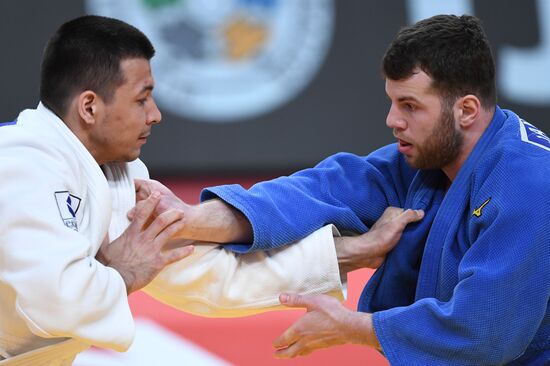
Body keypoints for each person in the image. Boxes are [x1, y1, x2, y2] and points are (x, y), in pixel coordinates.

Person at [0, 15, 424, 365]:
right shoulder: (21, 163)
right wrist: (122, 272)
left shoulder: (119, 175)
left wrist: (352, 253)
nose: (156, 114)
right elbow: (53, 305)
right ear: (90, 107)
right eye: (142, 99)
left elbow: (206, 276)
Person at [136, 14, 550, 364]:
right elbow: (321, 191)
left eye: (410, 105)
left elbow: (487, 331)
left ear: (466, 110)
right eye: (391, 102)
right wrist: (189, 218)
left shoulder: (528, 183)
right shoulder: (425, 160)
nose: (393, 120)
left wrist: (353, 326)